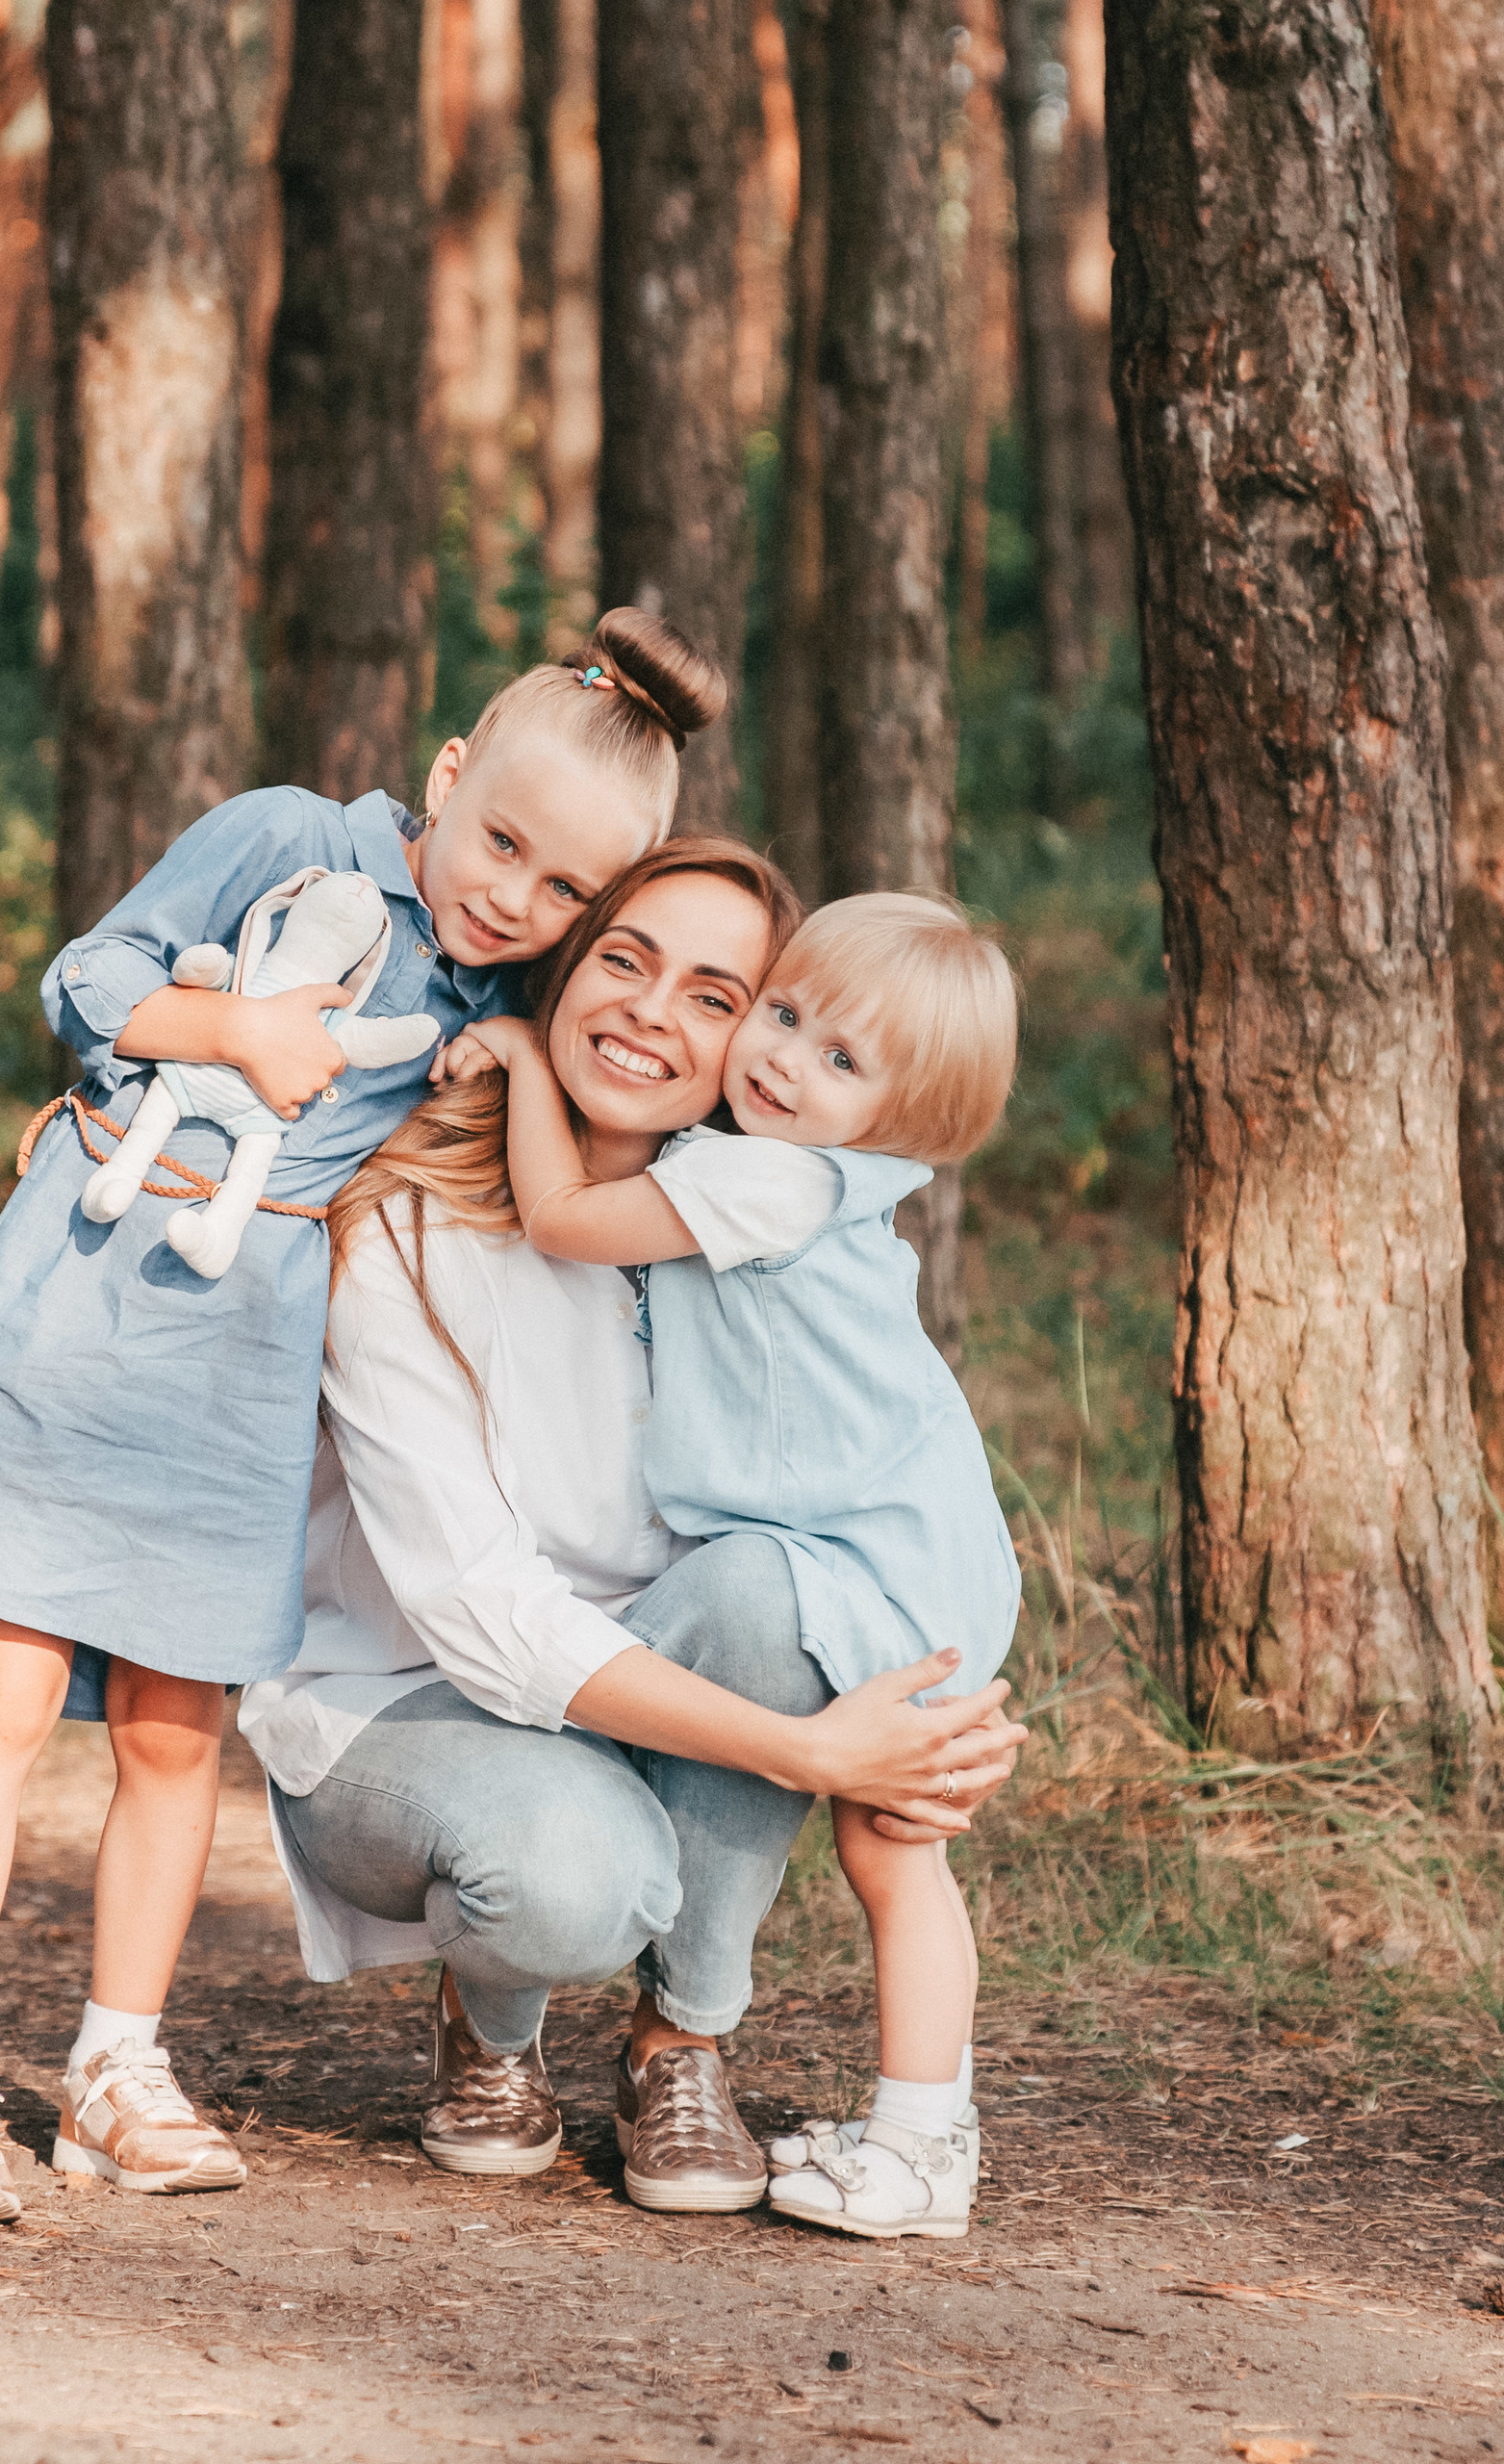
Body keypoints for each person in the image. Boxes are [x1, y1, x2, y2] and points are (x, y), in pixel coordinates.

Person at [0, 611, 727, 2227]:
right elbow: (88, 976)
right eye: (500, 842)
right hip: (93, 1289)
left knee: (177, 1736)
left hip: (244, 1355)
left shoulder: (500, 989)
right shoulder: (286, 839)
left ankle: (117, 2067)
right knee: (4, 1689)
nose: (510, 896)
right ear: (447, 776)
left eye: (556, 891)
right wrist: (232, 1026)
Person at [240, 843, 1026, 2217]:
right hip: (407, 1702)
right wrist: (812, 1749)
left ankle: (684, 2043)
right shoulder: (408, 1223)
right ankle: (491, 2031)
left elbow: (851, 1481)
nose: (660, 1015)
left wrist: (919, 1701)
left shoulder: (740, 1225)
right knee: (568, 1877)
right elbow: (481, 1609)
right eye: (625, 960)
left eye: (721, 996)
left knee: (773, 1597)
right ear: (566, 966)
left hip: (636, 1688)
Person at [459, 889, 1020, 2239]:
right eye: (781, 1015)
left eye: (841, 1061)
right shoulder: (816, 1176)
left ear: (899, 1117)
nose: (780, 1059)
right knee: (898, 1864)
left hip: (864, 1569)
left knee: (883, 1839)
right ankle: (920, 2133)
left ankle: (898, 2133)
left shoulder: (761, 1177)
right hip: (923, 1560)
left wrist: (532, 1059)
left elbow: (563, 1219)